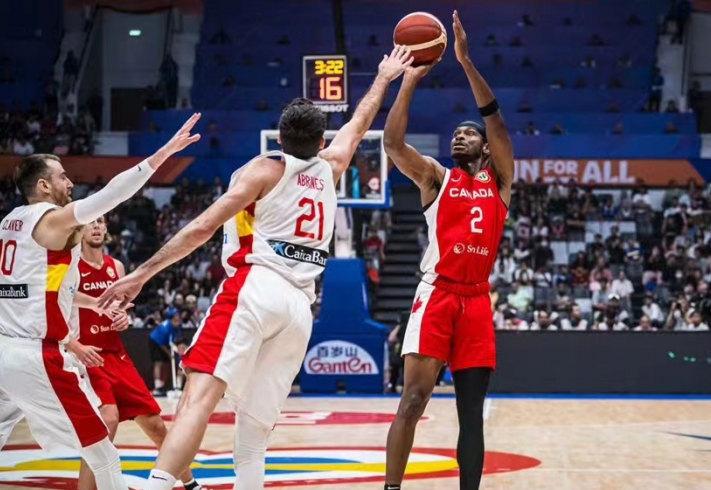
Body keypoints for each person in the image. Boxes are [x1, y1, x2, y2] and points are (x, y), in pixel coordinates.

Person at [99, 46, 413, 490]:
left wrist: (139, 275)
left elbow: (201, 228)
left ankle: (157, 484)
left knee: (199, 397)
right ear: (321, 142)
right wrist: (384, 77)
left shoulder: (263, 170)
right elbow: (360, 122)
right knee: (254, 426)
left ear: (279, 139)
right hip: (300, 307)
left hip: (256, 286)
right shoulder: (333, 166)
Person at [0, 116, 199, 490]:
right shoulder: (50, 219)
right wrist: (163, 154)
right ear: (43, 185)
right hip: (35, 355)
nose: (69, 183)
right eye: (63, 177)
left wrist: (96, 303)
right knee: (104, 454)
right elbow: (113, 194)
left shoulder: (10, 221)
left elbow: (45, 287)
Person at [381, 12, 514, 490]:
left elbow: (495, 119)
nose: (461, 135)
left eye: (468, 133)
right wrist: (409, 82)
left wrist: (464, 60)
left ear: (484, 148)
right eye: (457, 132)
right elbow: (393, 143)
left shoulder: (501, 182)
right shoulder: (436, 177)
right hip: (436, 295)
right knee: (413, 400)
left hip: (477, 302)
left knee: (471, 414)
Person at [74, 216, 202, 490]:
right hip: (88, 356)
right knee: (107, 421)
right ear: (79, 229)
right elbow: (58, 304)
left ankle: (191, 484)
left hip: (117, 354)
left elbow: (119, 310)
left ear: (106, 228)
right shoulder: (72, 265)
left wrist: (122, 319)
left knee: (156, 426)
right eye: (90, 222)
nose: (96, 226)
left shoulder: (115, 267)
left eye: (100, 222)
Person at [149, 310, 184, 395]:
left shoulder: (176, 327)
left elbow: (174, 340)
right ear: (171, 319)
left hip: (165, 343)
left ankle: (163, 385)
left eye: (178, 319)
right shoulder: (165, 328)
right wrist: (168, 353)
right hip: (155, 341)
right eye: (175, 319)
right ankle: (157, 387)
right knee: (158, 362)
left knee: (166, 363)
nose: (178, 321)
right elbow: (162, 345)